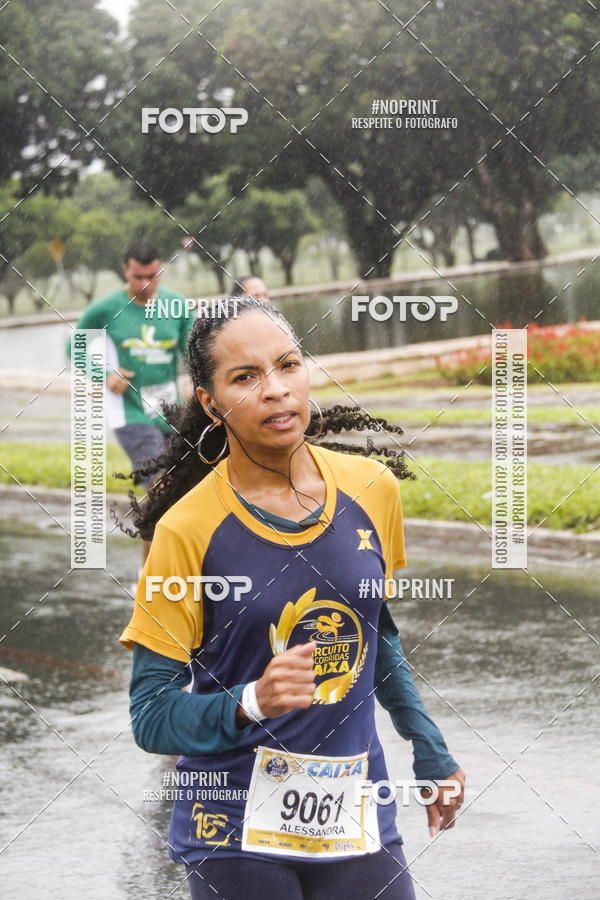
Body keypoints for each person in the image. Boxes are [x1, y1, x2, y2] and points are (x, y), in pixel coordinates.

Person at [118, 297, 465, 899]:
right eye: (245, 377)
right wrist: (251, 700)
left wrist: (428, 747)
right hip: (231, 827)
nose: (277, 390)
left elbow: (374, 633)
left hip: (353, 812)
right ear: (210, 401)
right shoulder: (187, 530)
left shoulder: (372, 490)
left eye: (288, 365)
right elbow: (150, 714)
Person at [67, 239, 194, 566]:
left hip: (170, 413)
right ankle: (152, 577)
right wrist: (104, 373)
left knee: (182, 490)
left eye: (153, 276)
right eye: (139, 277)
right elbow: (75, 347)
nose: (146, 284)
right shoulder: (106, 308)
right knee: (160, 486)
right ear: (126, 271)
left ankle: (160, 574)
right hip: (131, 414)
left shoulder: (176, 306)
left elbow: (196, 355)